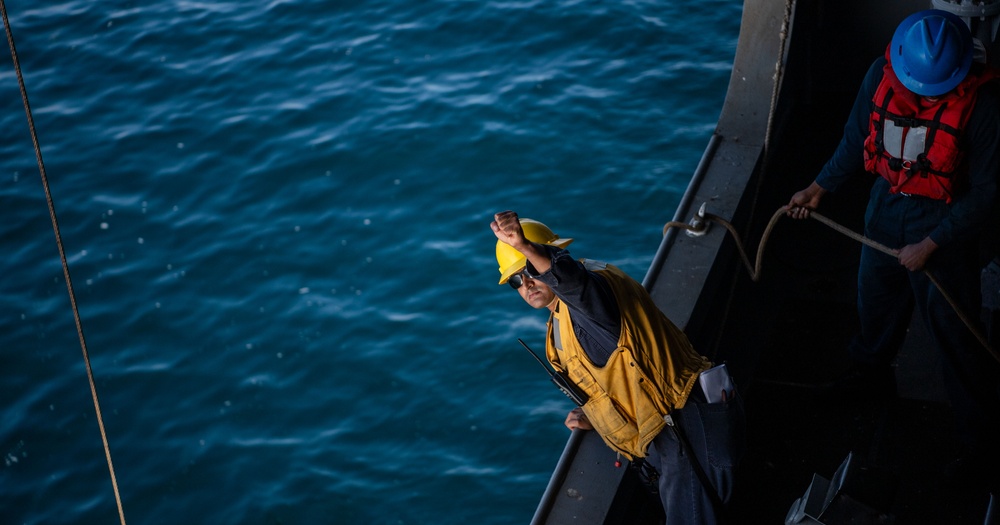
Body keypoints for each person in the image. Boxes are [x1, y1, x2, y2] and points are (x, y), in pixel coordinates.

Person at [786, 9, 1000, 489]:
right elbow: (854, 137)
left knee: (955, 332)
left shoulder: (983, 107)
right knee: (874, 301)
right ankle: (868, 376)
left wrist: (932, 244)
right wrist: (818, 188)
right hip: (886, 205)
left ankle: (976, 443)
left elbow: (986, 192)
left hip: (944, 220)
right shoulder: (879, 76)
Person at [490, 210, 745, 525]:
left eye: (531, 270)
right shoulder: (565, 314)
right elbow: (615, 367)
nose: (527, 283)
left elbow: (574, 285)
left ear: (550, 257)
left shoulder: (585, 299)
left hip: (684, 432)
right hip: (674, 431)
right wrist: (599, 414)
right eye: (516, 279)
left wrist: (527, 248)